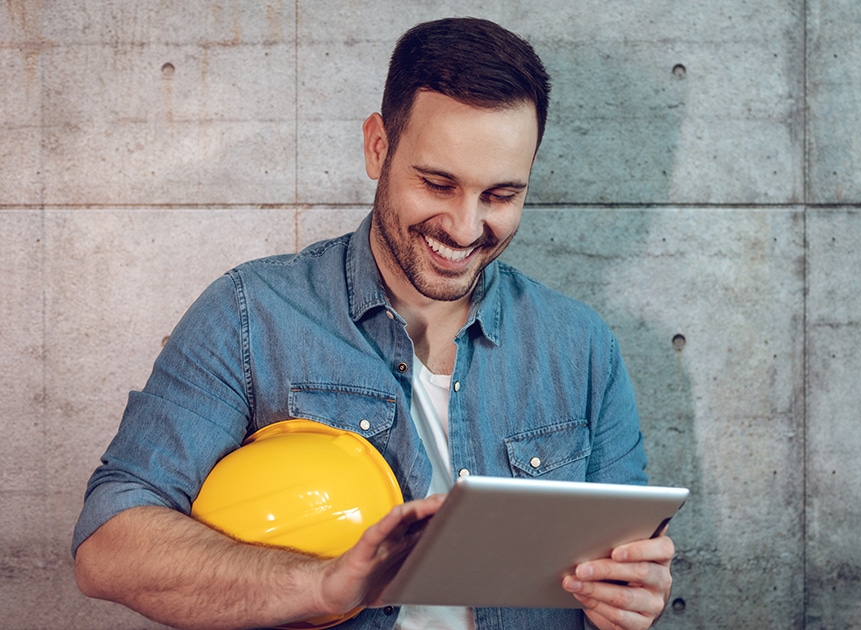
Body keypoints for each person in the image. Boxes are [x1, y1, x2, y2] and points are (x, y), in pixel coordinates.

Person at [72, 17, 674, 630]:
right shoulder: (251, 314)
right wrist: (322, 585)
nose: (466, 229)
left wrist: (627, 601)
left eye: (499, 195)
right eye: (438, 183)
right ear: (378, 147)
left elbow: (620, 569)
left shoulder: (583, 347)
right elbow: (108, 545)